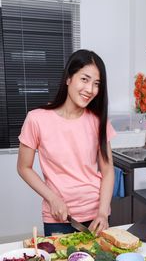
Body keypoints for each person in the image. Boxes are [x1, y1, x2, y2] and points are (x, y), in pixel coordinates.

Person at [17, 49, 116, 236]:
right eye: (84, 79)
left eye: (96, 84)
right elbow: (24, 167)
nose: (90, 90)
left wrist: (103, 212)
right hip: (58, 216)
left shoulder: (98, 121)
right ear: (68, 78)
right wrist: (52, 198)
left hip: (97, 216)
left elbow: (108, 169)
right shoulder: (36, 119)